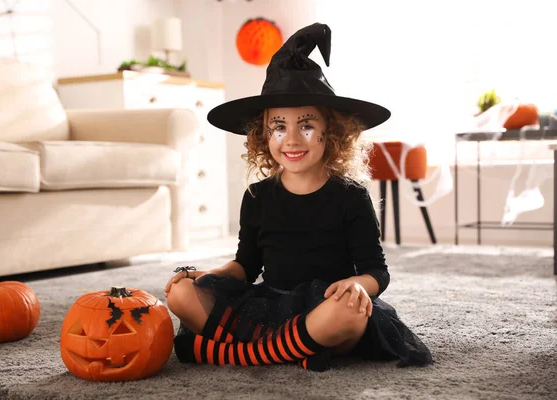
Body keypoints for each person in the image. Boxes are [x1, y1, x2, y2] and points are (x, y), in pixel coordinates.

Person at [164, 22, 433, 372]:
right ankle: (296, 349)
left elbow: (376, 271)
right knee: (180, 294)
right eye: (279, 127)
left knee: (350, 313)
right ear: (264, 135)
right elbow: (246, 265)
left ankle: (243, 353)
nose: (291, 139)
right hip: (270, 306)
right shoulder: (258, 196)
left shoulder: (351, 197)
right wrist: (208, 275)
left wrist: (356, 285)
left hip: (325, 305)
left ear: (330, 132)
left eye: (305, 125)